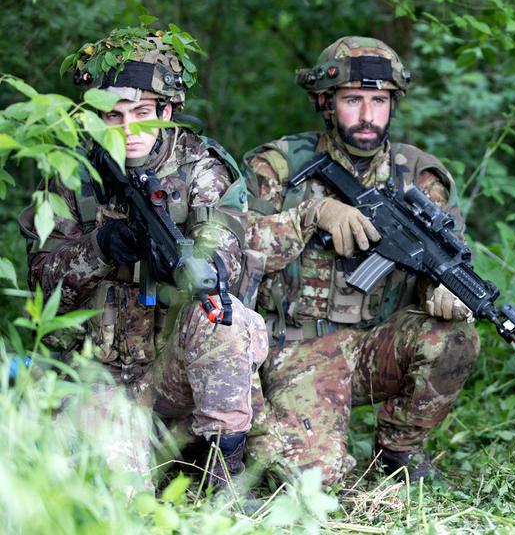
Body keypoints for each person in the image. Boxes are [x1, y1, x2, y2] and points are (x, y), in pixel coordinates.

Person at [18, 28, 267, 489]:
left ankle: (222, 475)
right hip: (99, 373)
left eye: (142, 114)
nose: (129, 130)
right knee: (117, 496)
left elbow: (226, 256)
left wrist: (193, 264)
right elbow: (39, 284)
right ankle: (159, 457)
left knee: (227, 321)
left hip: (172, 373)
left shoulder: (201, 168)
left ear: (167, 112)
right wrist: (100, 248)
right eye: (113, 117)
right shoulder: (74, 175)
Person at [241, 36, 480, 484]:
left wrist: (445, 292)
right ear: (325, 102)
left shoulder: (419, 177)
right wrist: (310, 216)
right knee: (313, 482)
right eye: (353, 100)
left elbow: (443, 261)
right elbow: (233, 247)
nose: (368, 115)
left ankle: (398, 453)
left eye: (380, 100)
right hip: (296, 349)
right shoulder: (279, 166)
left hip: (378, 344)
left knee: (455, 337)